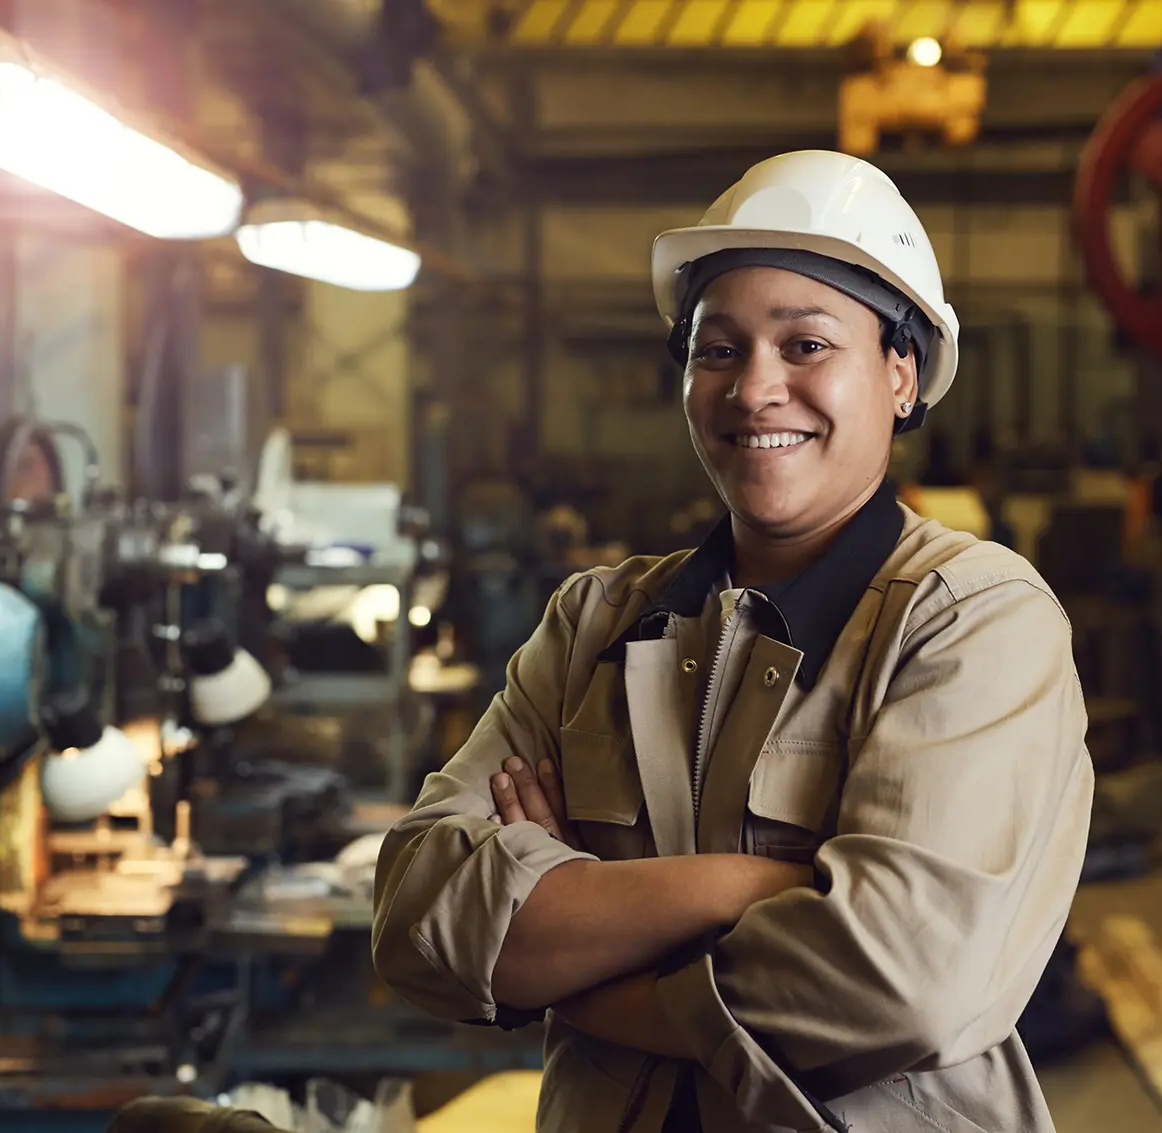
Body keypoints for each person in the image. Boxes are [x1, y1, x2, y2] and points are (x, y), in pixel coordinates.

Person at [372, 150, 1093, 1133]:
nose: (754, 389)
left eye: (805, 345)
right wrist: (741, 884)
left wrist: (583, 951)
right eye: (718, 348)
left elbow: (900, 981)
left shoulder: (970, 618)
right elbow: (418, 917)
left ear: (901, 373)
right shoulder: (596, 622)